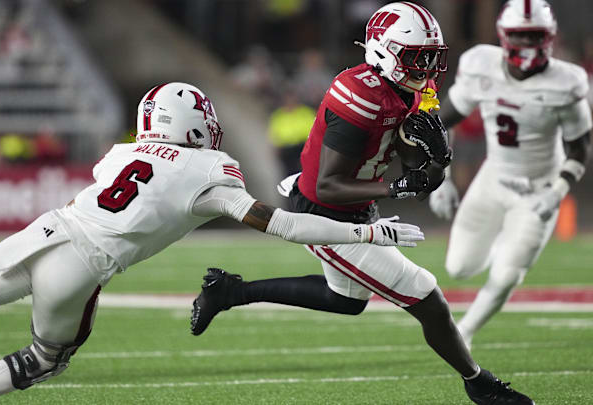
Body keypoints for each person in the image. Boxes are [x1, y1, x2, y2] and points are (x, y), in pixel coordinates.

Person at [0, 82, 424, 405]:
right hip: (82, 264)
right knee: (45, 360)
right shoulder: (213, 170)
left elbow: (137, 175)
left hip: (45, 230)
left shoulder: (120, 153)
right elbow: (283, 225)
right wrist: (367, 230)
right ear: (193, 124)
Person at [189, 3, 535, 404]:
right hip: (324, 212)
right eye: (416, 56)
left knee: (346, 301)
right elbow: (330, 184)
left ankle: (228, 292)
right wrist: (396, 189)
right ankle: (479, 383)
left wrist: (436, 160)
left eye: (430, 58)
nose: (425, 68)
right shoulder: (359, 95)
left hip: (356, 205)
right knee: (426, 295)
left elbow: (422, 180)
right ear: (384, 51)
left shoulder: (415, 88)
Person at [428, 0, 591, 349]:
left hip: (539, 190)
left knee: (505, 275)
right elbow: (444, 120)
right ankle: (506, 240)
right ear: (504, 36)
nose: (528, 45)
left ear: (550, 37)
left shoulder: (567, 82)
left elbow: (580, 148)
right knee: (459, 267)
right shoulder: (481, 65)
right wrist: (440, 177)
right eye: (521, 36)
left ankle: (463, 333)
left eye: (535, 36)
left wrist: (558, 190)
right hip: (493, 177)